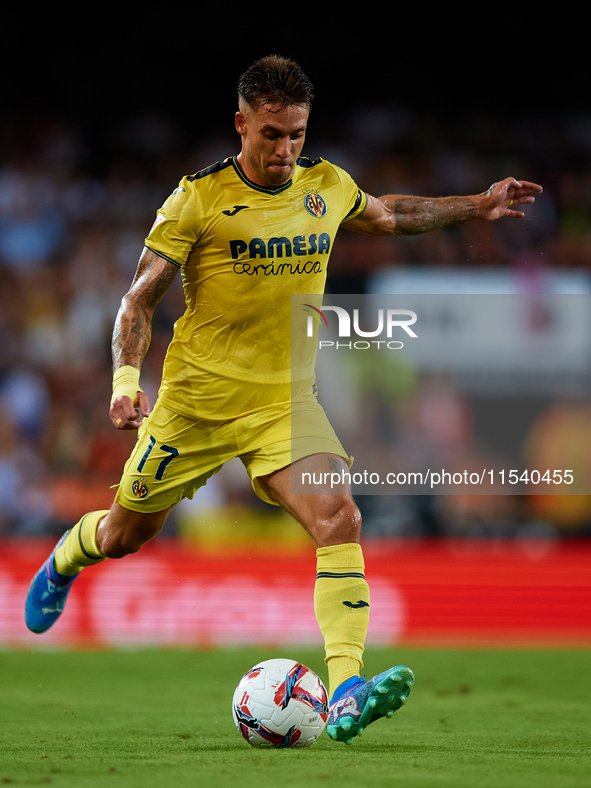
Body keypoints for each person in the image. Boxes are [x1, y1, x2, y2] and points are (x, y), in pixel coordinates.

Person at [25, 54, 542, 745]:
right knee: (125, 535)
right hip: (195, 407)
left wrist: (477, 205)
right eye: (271, 134)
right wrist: (126, 385)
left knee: (339, 517)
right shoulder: (196, 199)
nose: (284, 150)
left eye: (296, 133)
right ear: (241, 124)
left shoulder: (325, 184)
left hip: (284, 404)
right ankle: (67, 556)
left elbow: (391, 214)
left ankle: (348, 689)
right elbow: (137, 301)